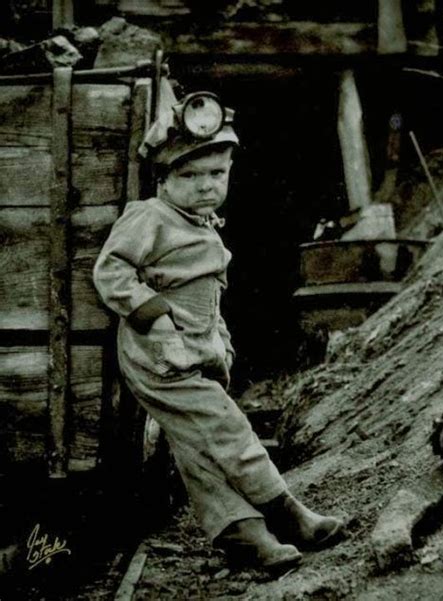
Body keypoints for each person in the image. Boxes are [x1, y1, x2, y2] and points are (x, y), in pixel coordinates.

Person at [93, 86, 343, 570]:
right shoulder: (150, 217)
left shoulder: (203, 222)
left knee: (196, 443)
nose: (206, 185)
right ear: (162, 179)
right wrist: (157, 316)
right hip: (159, 352)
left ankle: (241, 533)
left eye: (217, 174)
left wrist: (219, 342)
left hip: (196, 347)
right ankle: (285, 511)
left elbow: (209, 295)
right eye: (190, 175)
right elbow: (111, 271)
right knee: (226, 428)